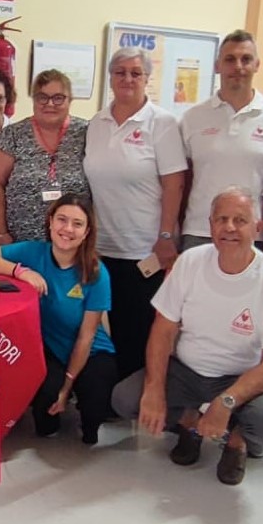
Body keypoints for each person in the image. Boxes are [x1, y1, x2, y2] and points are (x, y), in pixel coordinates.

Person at [111, 187, 263, 485]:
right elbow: (162, 330)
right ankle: (191, 422)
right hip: (186, 372)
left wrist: (226, 401)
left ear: (257, 227)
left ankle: (236, 441)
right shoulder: (190, 262)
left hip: (239, 378)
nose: (229, 227)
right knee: (125, 399)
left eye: (240, 220)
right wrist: (154, 387)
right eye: (221, 219)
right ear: (210, 225)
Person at [0, 193, 117, 444]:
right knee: (45, 422)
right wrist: (20, 271)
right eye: (62, 220)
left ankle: (85, 413)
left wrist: (67, 386)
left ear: (87, 232)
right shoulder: (33, 252)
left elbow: (86, 338)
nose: (68, 229)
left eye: (77, 224)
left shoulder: (96, 273)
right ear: (50, 222)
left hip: (91, 350)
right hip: (51, 349)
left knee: (93, 417)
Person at [84, 47, 188, 379]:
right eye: (120, 72)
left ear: (146, 78)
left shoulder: (162, 123)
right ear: (110, 77)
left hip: (144, 249)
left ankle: (141, 395)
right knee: (109, 325)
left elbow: (174, 185)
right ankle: (116, 393)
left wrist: (166, 236)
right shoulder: (97, 123)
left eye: (135, 73)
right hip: (103, 247)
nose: (127, 79)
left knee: (141, 330)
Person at [179, 30, 263, 250]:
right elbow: (182, 181)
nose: (238, 66)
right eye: (230, 59)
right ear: (217, 65)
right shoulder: (192, 118)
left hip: (254, 236)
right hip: (200, 233)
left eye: (246, 59)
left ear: (257, 65)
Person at [0, 69, 90, 245]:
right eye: (42, 97)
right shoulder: (12, 135)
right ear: (34, 100)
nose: (49, 104)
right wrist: (0, 234)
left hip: (74, 245)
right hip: (20, 245)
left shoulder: (86, 133)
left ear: (70, 100)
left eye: (58, 98)